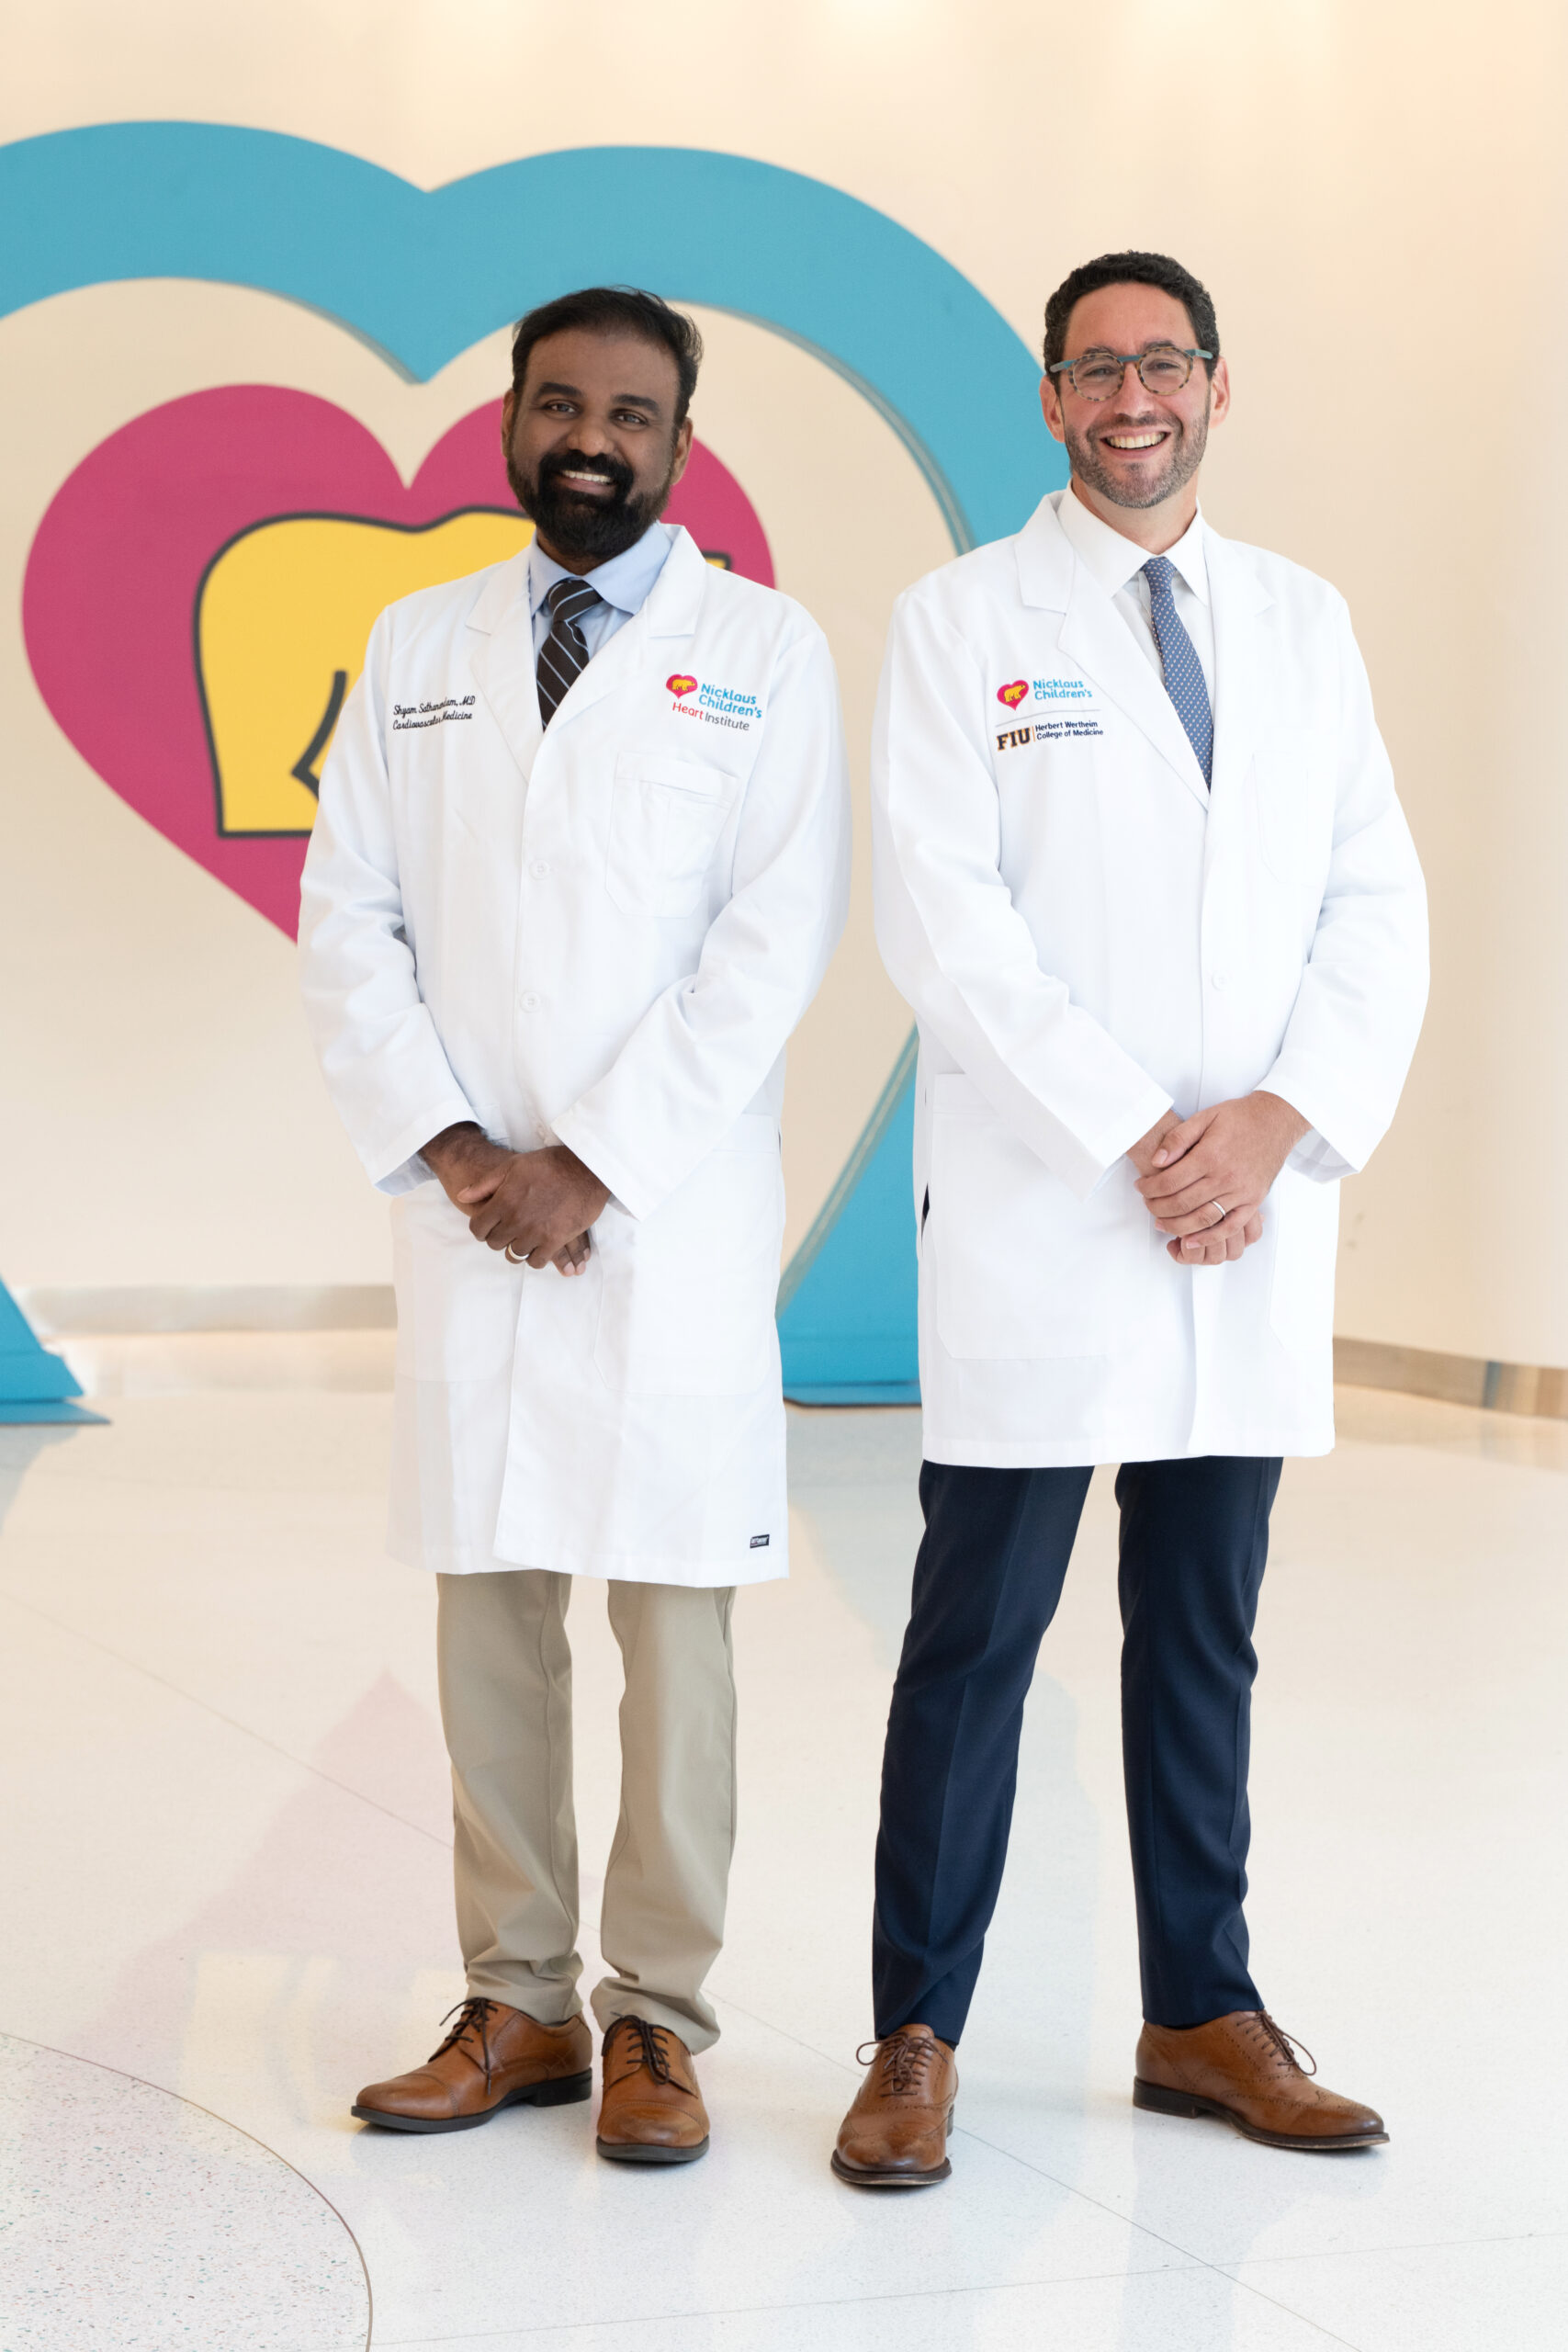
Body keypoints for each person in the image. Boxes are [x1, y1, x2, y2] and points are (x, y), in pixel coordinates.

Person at [832, 251, 1427, 2187]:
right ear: (1049, 399)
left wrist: (1272, 1123)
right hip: (1042, 1197)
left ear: (1215, 385)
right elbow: (940, 919)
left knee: (1200, 1630)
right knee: (973, 1635)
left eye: (1160, 362)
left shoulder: (1300, 621)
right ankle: (913, 2028)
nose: (1130, 397)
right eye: (1093, 369)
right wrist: (1136, 1133)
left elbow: (1369, 899)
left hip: (1241, 1217)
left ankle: (1200, 2008)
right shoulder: (956, 621)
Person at [300, 286, 850, 2165]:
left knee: (671, 1625)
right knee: (487, 1609)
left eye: (630, 409)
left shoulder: (763, 652)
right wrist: (462, 1151)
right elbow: (347, 914)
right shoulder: (415, 643)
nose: (590, 435)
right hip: (474, 1217)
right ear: (508, 423)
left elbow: (765, 951)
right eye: (558, 403)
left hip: (660, 1218)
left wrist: (590, 1161)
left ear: (681, 445)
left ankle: (658, 2021)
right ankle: (517, 1997)